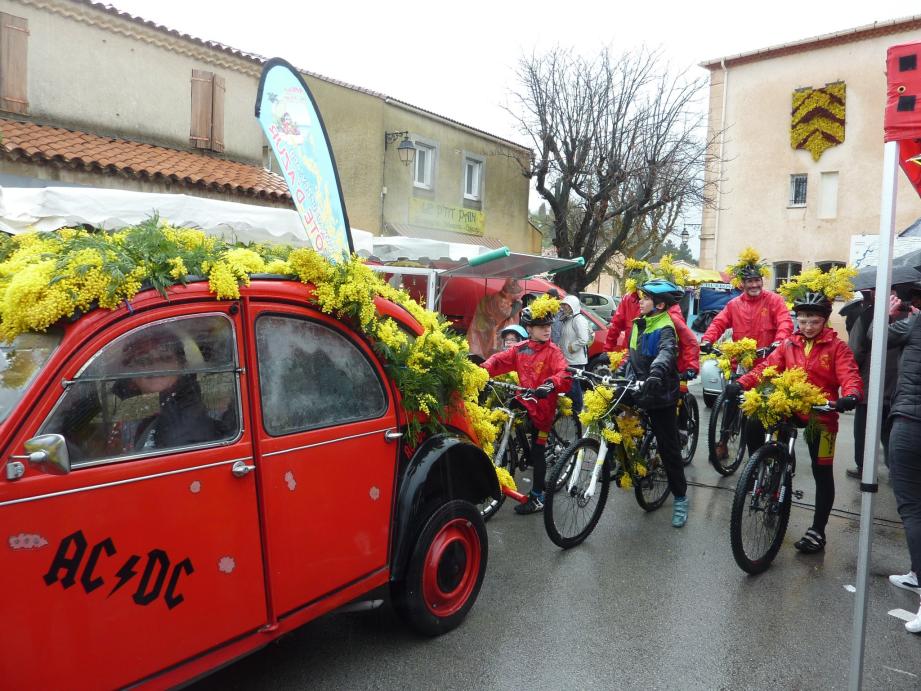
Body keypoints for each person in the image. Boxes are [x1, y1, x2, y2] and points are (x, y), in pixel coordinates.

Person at [726, 291, 862, 554]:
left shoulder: (837, 347)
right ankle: (761, 464)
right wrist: (741, 383)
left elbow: (850, 375)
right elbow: (766, 368)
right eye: (802, 321)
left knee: (822, 470)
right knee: (754, 420)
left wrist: (851, 395)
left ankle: (817, 531)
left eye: (813, 321)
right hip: (789, 405)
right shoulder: (789, 344)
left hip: (821, 412)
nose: (808, 327)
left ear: (824, 321)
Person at [482, 299, 572, 515]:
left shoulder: (553, 352)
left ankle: (538, 497)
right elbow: (499, 360)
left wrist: (551, 383)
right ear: (529, 329)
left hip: (543, 407)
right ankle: (520, 447)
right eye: (542, 327)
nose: (547, 330)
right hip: (525, 399)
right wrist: (482, 370)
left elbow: (564, 373)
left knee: (538, 453)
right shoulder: (521, 349)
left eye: (549, 326)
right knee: (509, 411)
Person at [702, 249, 794, 457]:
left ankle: (769, 446)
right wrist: (707, 340)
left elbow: (785, 322)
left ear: (762, 280)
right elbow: (719, 322)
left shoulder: (774, 301)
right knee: (731, 399)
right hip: (741, 363)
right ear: (741, 284)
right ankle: (723, 441)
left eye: (757, 281)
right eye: (749, 282)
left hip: (768, 363)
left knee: (764, 409)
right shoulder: (734, 304)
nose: (754, 285)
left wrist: (779, 341)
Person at [622, 279, 690, 528]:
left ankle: (680, 498)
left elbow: (666, 353)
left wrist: (656, 373)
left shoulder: (665, 326)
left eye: (646, 298)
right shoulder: (639, 324)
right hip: (638, 387)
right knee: (609, 410)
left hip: (660, 392)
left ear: (660, 305)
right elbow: (632, 357)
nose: (641, 301)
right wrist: (617, 371)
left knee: (668, 447)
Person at [881, 296, 921, 633]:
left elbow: (875, 340)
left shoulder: (914, 324)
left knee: (912, 508)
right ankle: (916, 572)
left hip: (911, 421)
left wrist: (890, 313)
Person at [115, 333, 224, 452]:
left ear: (182, 366)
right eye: (143, 360)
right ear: (130, 374)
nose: (155, 367)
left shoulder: (183, 420)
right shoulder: (135, 409)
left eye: (165, 358)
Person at [844, 289, 902, 479]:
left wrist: (852, 379)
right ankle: (895, 470)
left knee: (864, 430)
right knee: (890, 430)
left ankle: (864, 468)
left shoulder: (867, 315)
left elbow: (854, 352)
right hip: (897, 386)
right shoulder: (910, 315)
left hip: (871, 384)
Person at [468, 279, 524, 359]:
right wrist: (518, 305)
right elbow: (505, 313)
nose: (519, 296)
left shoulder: (506, 299)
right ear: (510, 293)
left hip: (495, 336)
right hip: (490, 336)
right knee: (492, 357)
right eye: (517, 293)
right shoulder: (500, 299)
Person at [558, 295, 593, 413]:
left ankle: (577, 409)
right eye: (564, 305)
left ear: (573, 306)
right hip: (568, 358)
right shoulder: (568, 318)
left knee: (574, 385)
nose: (564, 307)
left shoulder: (579, 319)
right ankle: (571, 407)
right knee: (569, 384)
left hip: (575, 360)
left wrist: (571, 347)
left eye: (567, 305)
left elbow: (583, 339)